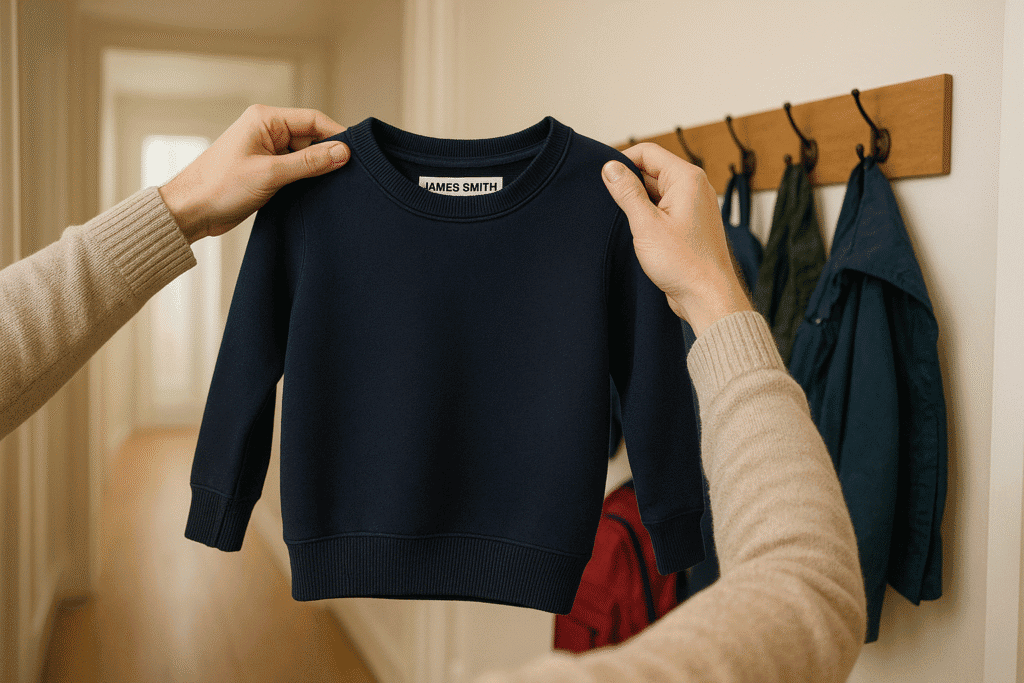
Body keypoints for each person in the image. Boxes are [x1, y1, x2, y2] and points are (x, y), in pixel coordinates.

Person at [0, 105, 866, 681]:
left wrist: (678, 522)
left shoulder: (602, 200)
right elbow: (253, 346)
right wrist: (718, 296)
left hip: (521, 545)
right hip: (372, 531)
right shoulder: (309, 197)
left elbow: (650, 379)